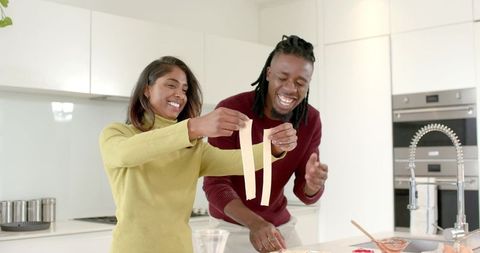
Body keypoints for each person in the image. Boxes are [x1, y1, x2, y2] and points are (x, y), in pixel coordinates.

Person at [98, 56, 298, 253]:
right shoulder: (117, 134)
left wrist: (274, 148)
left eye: (184, 90)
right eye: (171, 85)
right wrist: (194, 127)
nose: (180, 94)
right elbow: (127, 154)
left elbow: (240, 161)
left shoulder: (192, 148)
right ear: (146, 89)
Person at [203, 35, 329, 253]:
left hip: (279, 228)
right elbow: (215, 184)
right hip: (231, 227)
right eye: (282, 78)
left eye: (300, 83)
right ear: (269, 73)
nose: (290, 88)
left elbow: (304, 191)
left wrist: (312, 185)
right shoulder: (232, 110)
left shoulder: (310, 120)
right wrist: (255, 223)